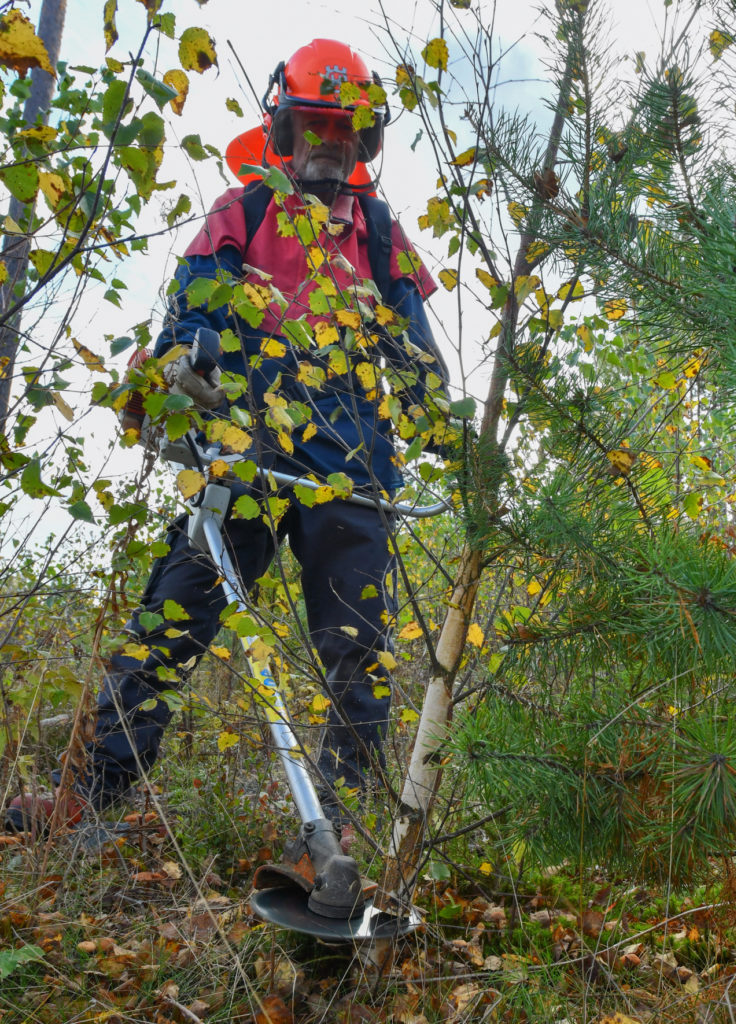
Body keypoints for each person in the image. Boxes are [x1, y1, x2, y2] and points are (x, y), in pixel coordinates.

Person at [5, 39, 450, 847]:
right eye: (312, 126)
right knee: (170, 621)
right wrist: (190, 365)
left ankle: (337, 831)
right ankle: (90, 797)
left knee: (358, 654)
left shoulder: (382, 238)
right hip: (242, 452)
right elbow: (190, 315)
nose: (326, 144)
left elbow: (420, 360)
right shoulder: (239, 213)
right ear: (282, 129)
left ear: (364, 140)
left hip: (349, 469)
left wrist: (441, 423)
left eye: (343, 129)